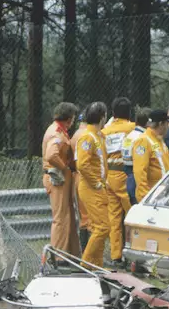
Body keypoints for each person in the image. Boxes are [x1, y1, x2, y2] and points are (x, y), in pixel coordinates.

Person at [42, 102, 81, 257]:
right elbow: (51, 155)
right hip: (57, 178)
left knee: (67, 216)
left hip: (60, 178)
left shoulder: (59, 130)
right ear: (69, 118)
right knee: (61, 219)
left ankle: (70, 254)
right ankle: (58, 257)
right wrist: (65, 167)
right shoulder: (56, 133)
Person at [75, 102, 111, 267]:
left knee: (100, 227)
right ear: (102, 116)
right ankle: (86, 265)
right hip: (91, 188)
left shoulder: (98, 135)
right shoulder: (87, 137)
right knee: (102, 228)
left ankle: (97, 265)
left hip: (99, 187)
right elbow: (82, 164)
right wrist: (95, 183)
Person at [101, 98, 136, 266]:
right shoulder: (132, 128)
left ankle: (115, 256)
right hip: (125, 176)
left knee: (114, 217)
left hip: (109, 177)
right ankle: (134, 254)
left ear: (113, 112)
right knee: (132, 216)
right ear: (129, 112)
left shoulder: (105, 130)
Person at [133, 109, 169, 203]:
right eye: (167, 123)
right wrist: (145, 196)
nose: (168, 126)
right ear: (161, 124)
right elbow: (140, 171)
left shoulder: (159, 140)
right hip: (151, 196)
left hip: (161, 195)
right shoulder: (144, 141)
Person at [122, 108, 150, 205]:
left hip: (128, 174)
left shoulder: (129, 135)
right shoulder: (141, 138)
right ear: (148, 123)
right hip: (136, 176)